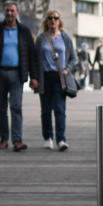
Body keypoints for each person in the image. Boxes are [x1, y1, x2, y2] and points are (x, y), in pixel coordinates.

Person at [0, 0, 40, 152]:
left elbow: (31, 56)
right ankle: (3, 139)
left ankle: (17, 140)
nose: (9, 13)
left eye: (12, 11)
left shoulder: (24, 32)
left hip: (17, 75)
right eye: (7, 10)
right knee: (1, 109)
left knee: (16, 107)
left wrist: (34, 77)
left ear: (17, 13)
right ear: (4, 13)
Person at [35, 9, 77, 151]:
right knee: (46, 109)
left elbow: (73, 58)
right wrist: (34, 77)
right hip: (45, 76)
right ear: (46, 21)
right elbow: (35, 59)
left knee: (60, 109)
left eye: (56, 18)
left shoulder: (65, 38)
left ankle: (61, 139)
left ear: (59, 21)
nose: (53, 20)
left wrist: (68, 69)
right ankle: (48, 138)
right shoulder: (41, 38)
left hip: (60, 77)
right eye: (50, 18)